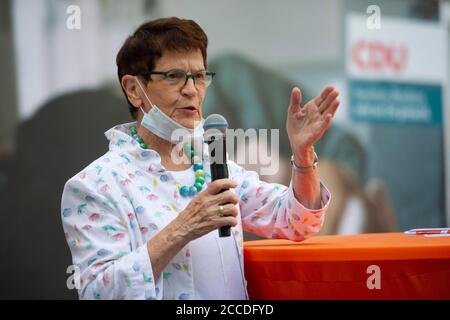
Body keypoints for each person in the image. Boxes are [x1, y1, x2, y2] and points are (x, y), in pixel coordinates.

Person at [60, 17, 339, 300]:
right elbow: (99, 293)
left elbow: (296, 221)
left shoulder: (212, 164)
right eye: (174, 76)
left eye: (199, 76)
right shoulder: (95, 185)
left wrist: (302, 153)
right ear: (134, 90)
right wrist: (184, 227)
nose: (192, 90)